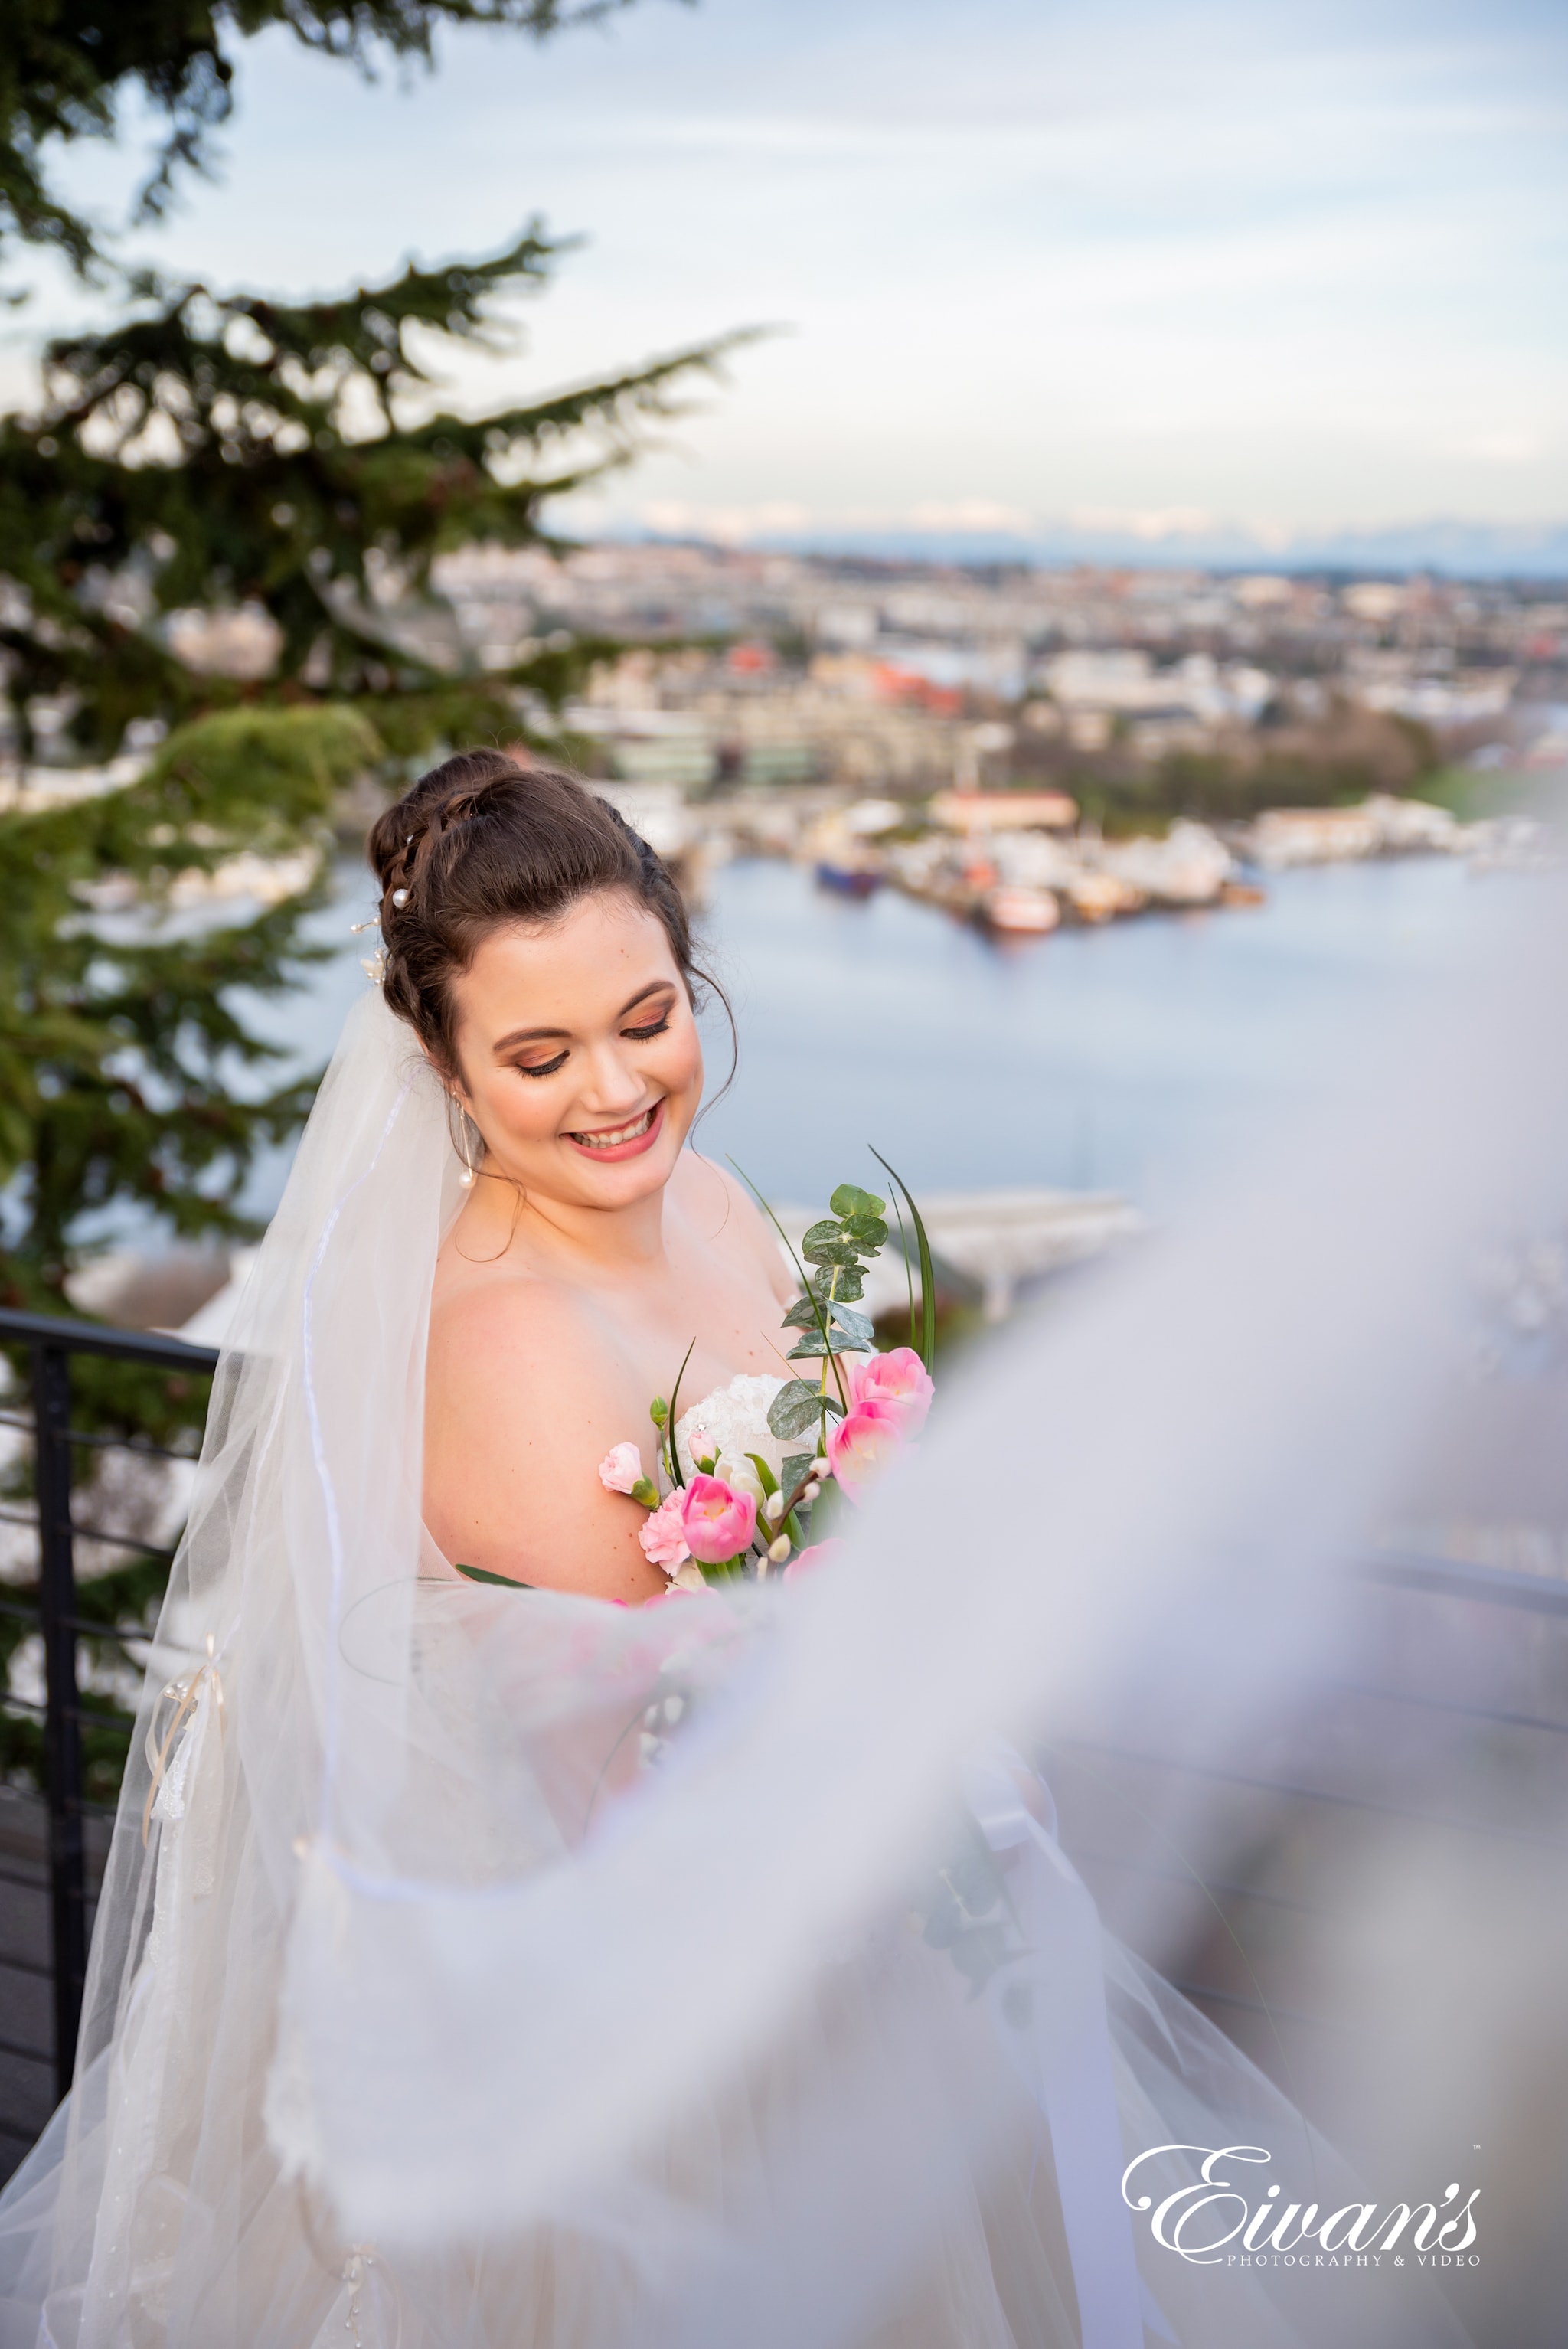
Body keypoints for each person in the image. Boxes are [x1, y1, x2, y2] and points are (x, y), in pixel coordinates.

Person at [0, 753, 1471, 2349]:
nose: (615, 1091)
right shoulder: (501, 1347)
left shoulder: (708, 1203)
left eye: (647, 1019)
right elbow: (611, 1781)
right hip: (678, 2023)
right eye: (540, 1053)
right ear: (443, 1060)